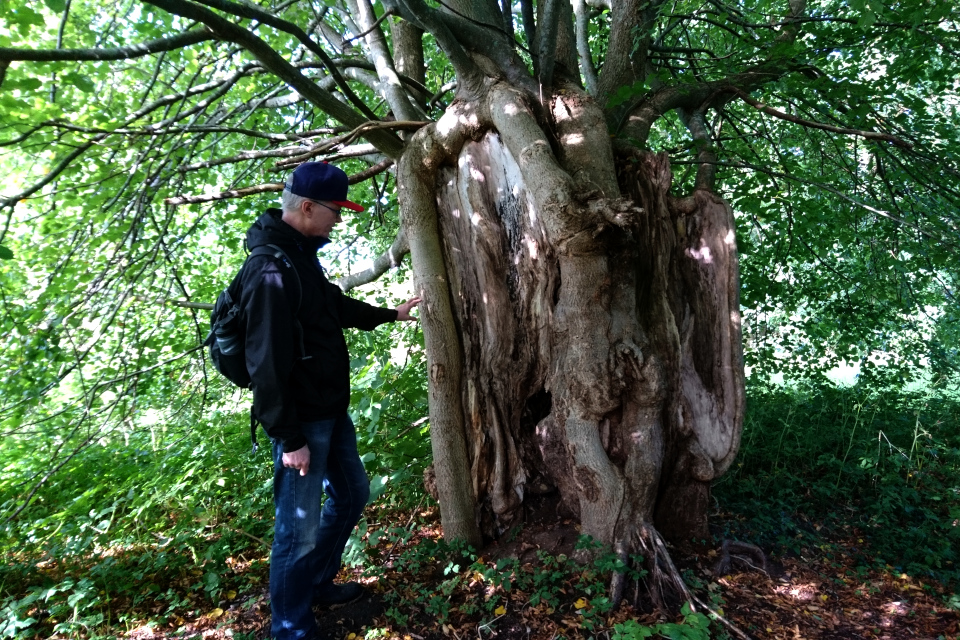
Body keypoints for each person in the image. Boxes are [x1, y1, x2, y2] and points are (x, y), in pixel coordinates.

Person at [238, 162, 420, 640]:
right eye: (335, 211)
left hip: (329, 411)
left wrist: (390, 314)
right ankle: (290, 628)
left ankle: (316, 584)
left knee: (353, 493)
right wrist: (290, 437)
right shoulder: (270, 270)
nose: (339, 219)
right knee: (296, 533)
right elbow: (265, 365)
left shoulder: (300, 256)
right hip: (302, 422)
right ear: (307, 207)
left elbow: (331, 305)